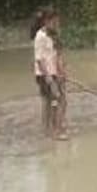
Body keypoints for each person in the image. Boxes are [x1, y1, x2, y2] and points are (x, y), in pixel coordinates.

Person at [31, 8, 68, 140]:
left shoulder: (53, 35)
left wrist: (62, 72)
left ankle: (51, 128)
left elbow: (57, 55)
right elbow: (39, 60)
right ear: (46, 21)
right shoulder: (40, 37)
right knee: (54, 101)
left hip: (54, 73)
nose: (57, 24)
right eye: (54, 22)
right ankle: (54, 131)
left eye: (58, 22)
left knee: (55, 101)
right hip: (44, 74)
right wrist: (49, 79)